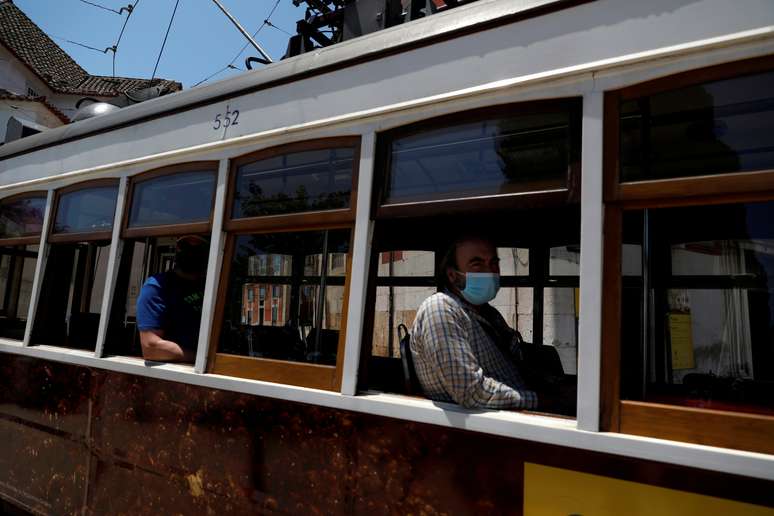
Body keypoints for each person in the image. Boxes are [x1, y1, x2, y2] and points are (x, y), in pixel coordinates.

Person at [410, 234, 573, 412]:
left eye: (494, 263)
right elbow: (471, 391)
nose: (490, 271)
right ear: (452, 275)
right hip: (483, 426)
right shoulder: (441, 309)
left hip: (515, 411)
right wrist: (543, 401)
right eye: (477, 264)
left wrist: (556, 387)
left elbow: (517, 361)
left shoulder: (488, 313)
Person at [136, 235, 210, 362]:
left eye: (198, 248)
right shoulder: (157, 286)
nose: (191, 253)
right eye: (185, 247)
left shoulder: (212, 286)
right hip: (183, 370)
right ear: (177, 250)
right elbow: (151, 348)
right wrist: (206, 360)